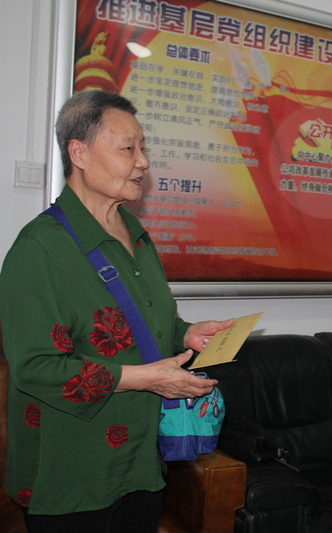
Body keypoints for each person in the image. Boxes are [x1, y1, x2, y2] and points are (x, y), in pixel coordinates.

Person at [0, 90, 234, 533]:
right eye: (128, 148)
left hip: (140, 460)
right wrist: (146, 378)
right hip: (72, 471)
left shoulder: (135, 233)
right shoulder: (39, 249)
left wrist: (185, 334)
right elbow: (35, 367)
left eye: (143, 147)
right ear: (79, 153)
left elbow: (143, 321)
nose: (143, 162)